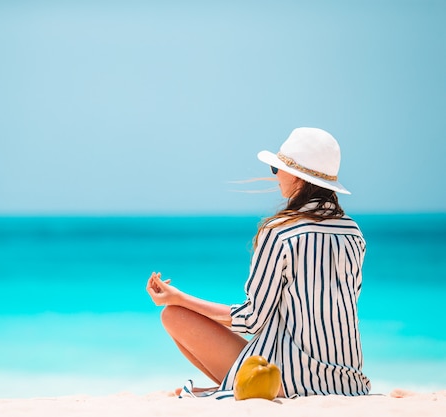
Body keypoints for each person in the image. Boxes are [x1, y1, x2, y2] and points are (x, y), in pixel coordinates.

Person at [146, 127, 371, 399]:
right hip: (349, 381)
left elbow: (253, 320)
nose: (275, 177)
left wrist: (179, 298)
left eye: (277, 169)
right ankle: (229, 384)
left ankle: (234, 385)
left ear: (297, 177)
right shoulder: (353, 232)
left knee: (173, 315)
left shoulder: (280, 232)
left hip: (288, 380)